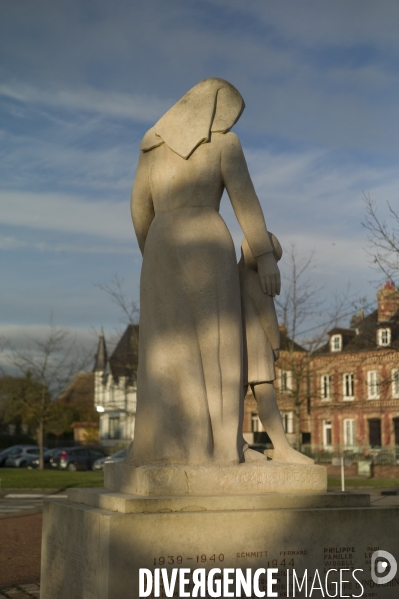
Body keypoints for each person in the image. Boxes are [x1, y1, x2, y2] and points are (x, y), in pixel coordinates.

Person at [127, 78, 280, 467]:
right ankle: (217, 446)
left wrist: (154, 252)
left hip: (162, 243)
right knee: (218, 342)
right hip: (208, 241)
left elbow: (139, 209)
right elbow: (246, 201)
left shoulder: (152, 143)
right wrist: (264, 255)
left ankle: (169, 444)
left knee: (167, 348)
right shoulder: (225, 145)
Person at [239, 236, 313, 464]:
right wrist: (275, 344)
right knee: (266, 397)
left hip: (235, 348)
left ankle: (236, 443)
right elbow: (268, 317)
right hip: (257, 346)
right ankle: (281, 446)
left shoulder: (231, 275)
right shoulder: (256, 279)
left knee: (235, 399)